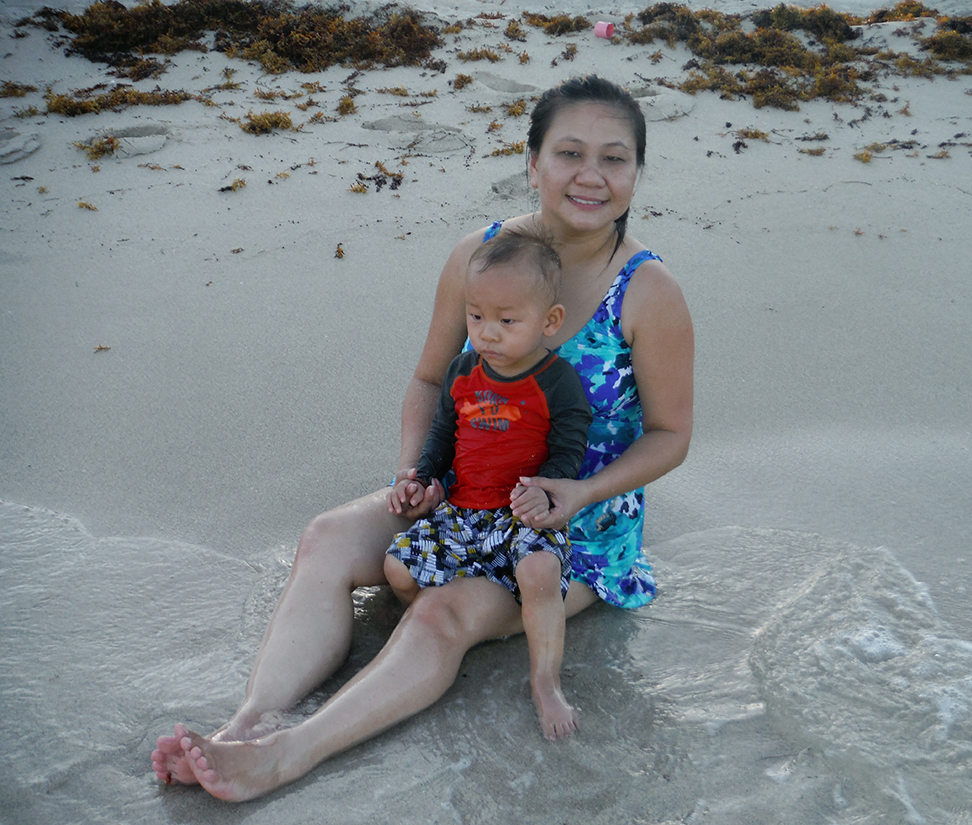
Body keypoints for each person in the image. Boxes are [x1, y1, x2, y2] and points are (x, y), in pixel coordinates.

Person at [151, 73, 694, 802]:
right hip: (463, 486)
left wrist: (582, 491)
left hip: (575, 521)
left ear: (636, 171)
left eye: (615, 158)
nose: (591, 176)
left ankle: (287, 754)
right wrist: (416, 468)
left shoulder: (649, 290)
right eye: (569, 153)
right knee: (327, 536)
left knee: (440, 612)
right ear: (531, 163)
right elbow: (433, 381)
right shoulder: (482, 254)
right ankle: (247, 723)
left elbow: (670, 435)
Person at [384, 225, 592, 740]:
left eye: (507, 320)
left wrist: (547, 488)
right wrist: (420, 477)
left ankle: (545, 680)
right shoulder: (461, 371)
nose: (488, 333)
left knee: (541, 570)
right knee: (396, 568)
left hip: (520, 513)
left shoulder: (555, 380)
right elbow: (442, 432)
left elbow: (571, 444)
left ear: (550, 321)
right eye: (476, 317)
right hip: (460, 512)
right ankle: (473, 617)